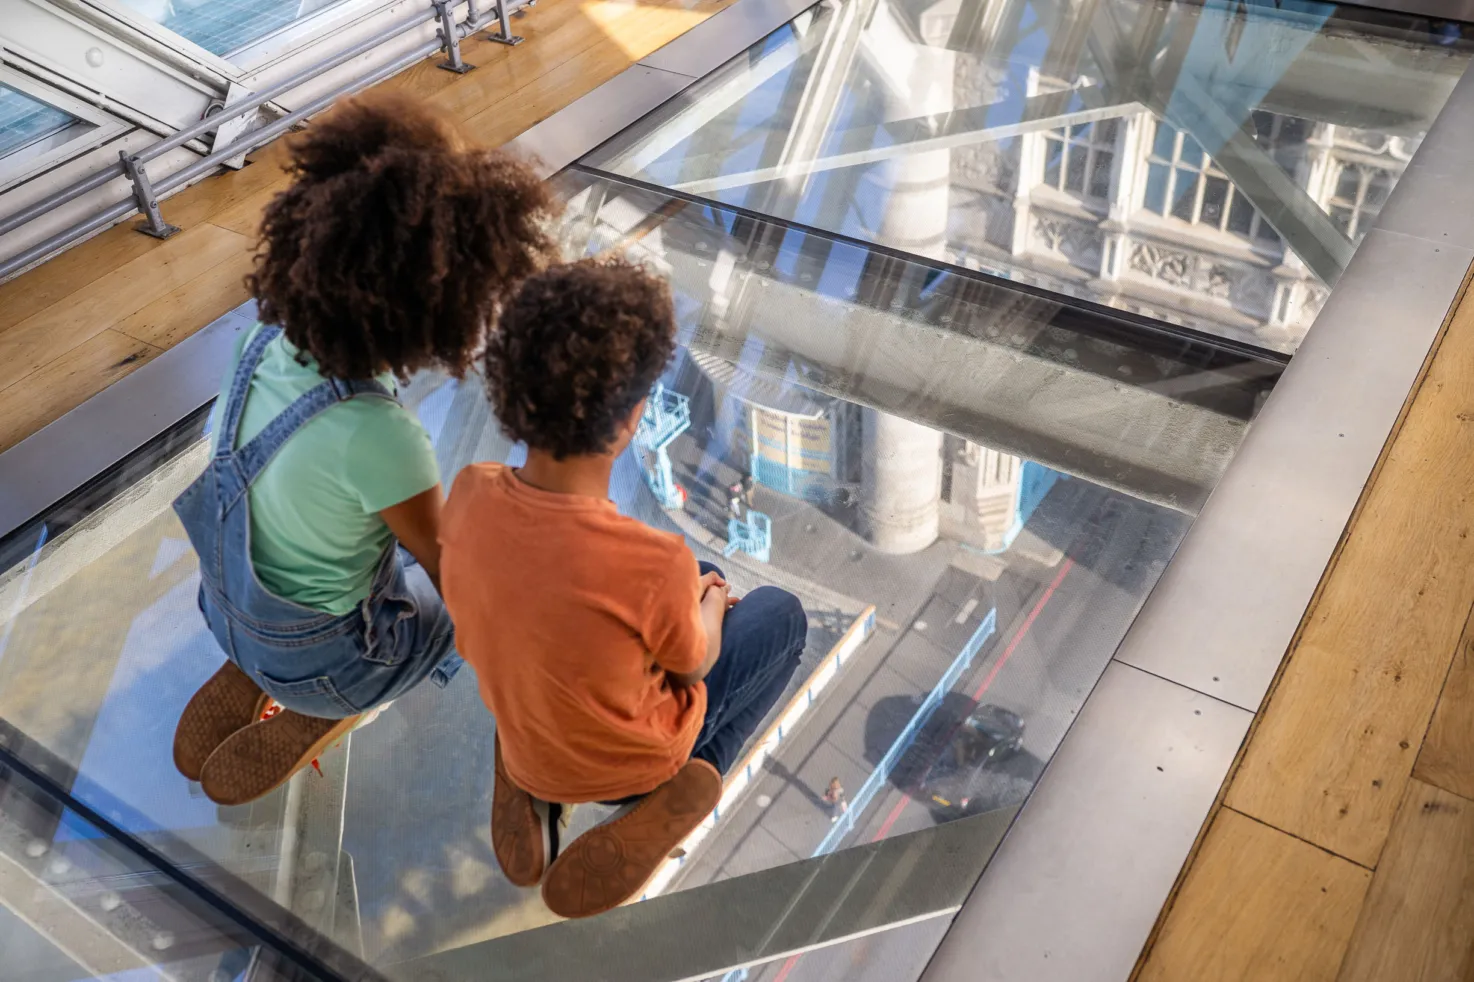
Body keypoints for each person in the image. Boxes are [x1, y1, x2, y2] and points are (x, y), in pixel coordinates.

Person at [171, 93, 556, 807]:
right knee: (460, 596)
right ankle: (333, 701)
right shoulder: (380, 436)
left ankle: (255, 660)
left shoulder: (260, 338)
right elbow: (461, 588)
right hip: (326, 661)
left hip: (223, 601)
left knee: (368, 528)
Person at [440, 257, 808, 918]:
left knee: (657, 591)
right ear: (633, 417)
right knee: (780, 615)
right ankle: (681, 788)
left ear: (512, 395)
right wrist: (715, 602)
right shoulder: (648, 559)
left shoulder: (469, 495)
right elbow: (697, 659)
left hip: (530, 731)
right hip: (631, 762)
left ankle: (526, 775)